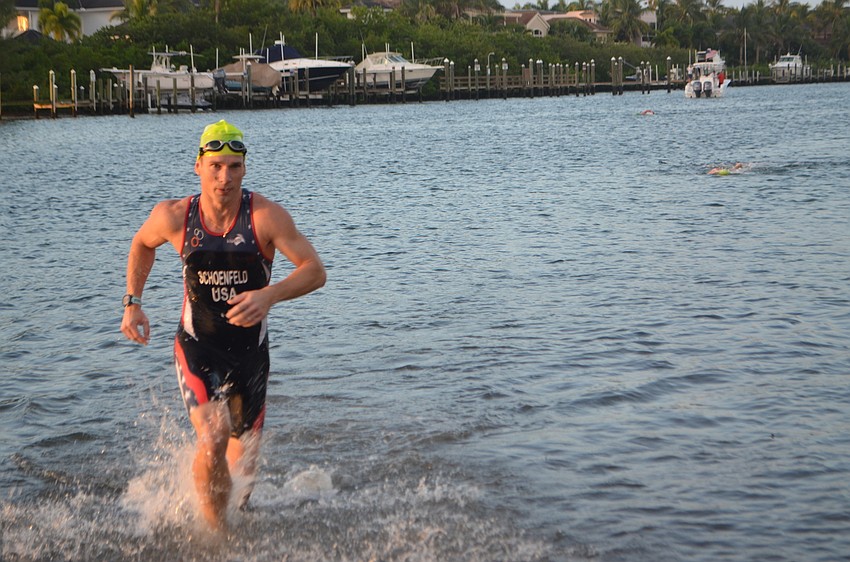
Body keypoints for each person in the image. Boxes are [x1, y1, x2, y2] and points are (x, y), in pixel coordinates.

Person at [120, 120, 326, 532]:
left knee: (242, 489)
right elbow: (142, 243)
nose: (224, 177)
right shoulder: (175, 217)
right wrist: (133, 302)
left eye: (234, 166)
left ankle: (227, 525)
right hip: (199, 346)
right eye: (215, 166)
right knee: (213, 434)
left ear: (245, 169)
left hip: (250, 356)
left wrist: (270, 295)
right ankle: (215, 543)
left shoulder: (265, 217)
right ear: (198, 166)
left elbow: (315, 271)